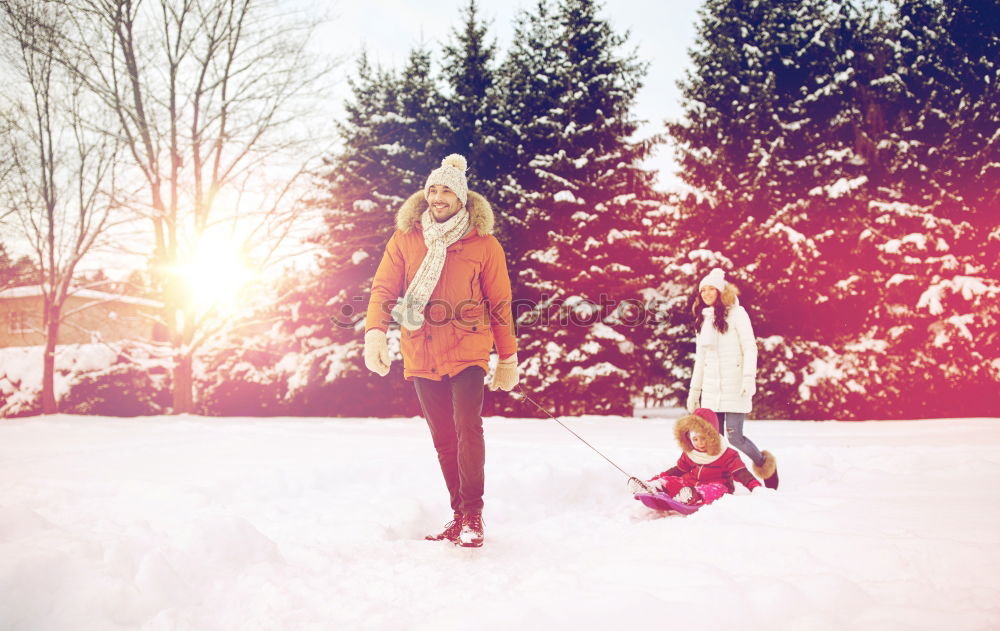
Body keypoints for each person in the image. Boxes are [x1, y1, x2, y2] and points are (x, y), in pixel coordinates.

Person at [363, 154, 518, 548]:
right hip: (421, 349)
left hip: (468, 347)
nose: (437, 195)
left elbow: (499, 302)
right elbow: (384, 288)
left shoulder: (483, 244)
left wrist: (508, 357)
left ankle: (473, 516)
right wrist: (376, 333)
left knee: (469, 429)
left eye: (447, 189)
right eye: (432, 188)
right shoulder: (406, 238)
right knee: (443, 437)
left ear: (462, 197)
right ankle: (458, 514)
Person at [686, 267, 779, 489]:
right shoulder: (703, 319)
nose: (706, 294)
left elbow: (750, 348)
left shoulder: (738, 314)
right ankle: (723, 480)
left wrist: (748, 377)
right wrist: (694, 391)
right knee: (713, 439)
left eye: (711, 289)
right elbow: (701, 358)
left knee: (735, 437)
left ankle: (764, 465)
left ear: (720, 291)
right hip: (710, 388)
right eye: (703, 290)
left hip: (735, 385)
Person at [630, 407, 761, 506]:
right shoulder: (691, 453)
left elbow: (740, 472)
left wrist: (755, 487)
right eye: (695, 439)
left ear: (712, 437)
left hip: (717, 486)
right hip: (689, 485)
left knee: (716, 489)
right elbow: (678, 470)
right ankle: (653, 487)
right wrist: (658, 478)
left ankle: (694, 496)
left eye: (704, 438)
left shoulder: (726, 454)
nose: (699, 443)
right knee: (673, 481)